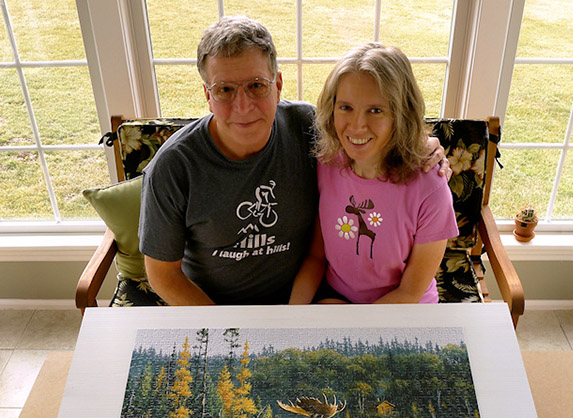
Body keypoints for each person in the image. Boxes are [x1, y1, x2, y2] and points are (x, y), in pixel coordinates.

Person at [139, 16, 449, 306]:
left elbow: (364, 130)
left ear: (278, 85)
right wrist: (224, 329)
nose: (243, 106)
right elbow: (163, 275)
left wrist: (423, 145)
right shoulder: (173, 168)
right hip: (219, 308)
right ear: (207, 95)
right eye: (225, 90)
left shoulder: (307, 130)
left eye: (256, 85)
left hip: (308, 301)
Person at [290, 43, 458, 305]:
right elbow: (316, 257)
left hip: (402, 310)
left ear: (401, 114)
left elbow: (410, 293)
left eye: (376, 110)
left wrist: (352, 325)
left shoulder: (431, 189)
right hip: (335, 301)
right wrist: (293, 316)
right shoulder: (327, 163)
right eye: (346, 107)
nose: (357, 126)